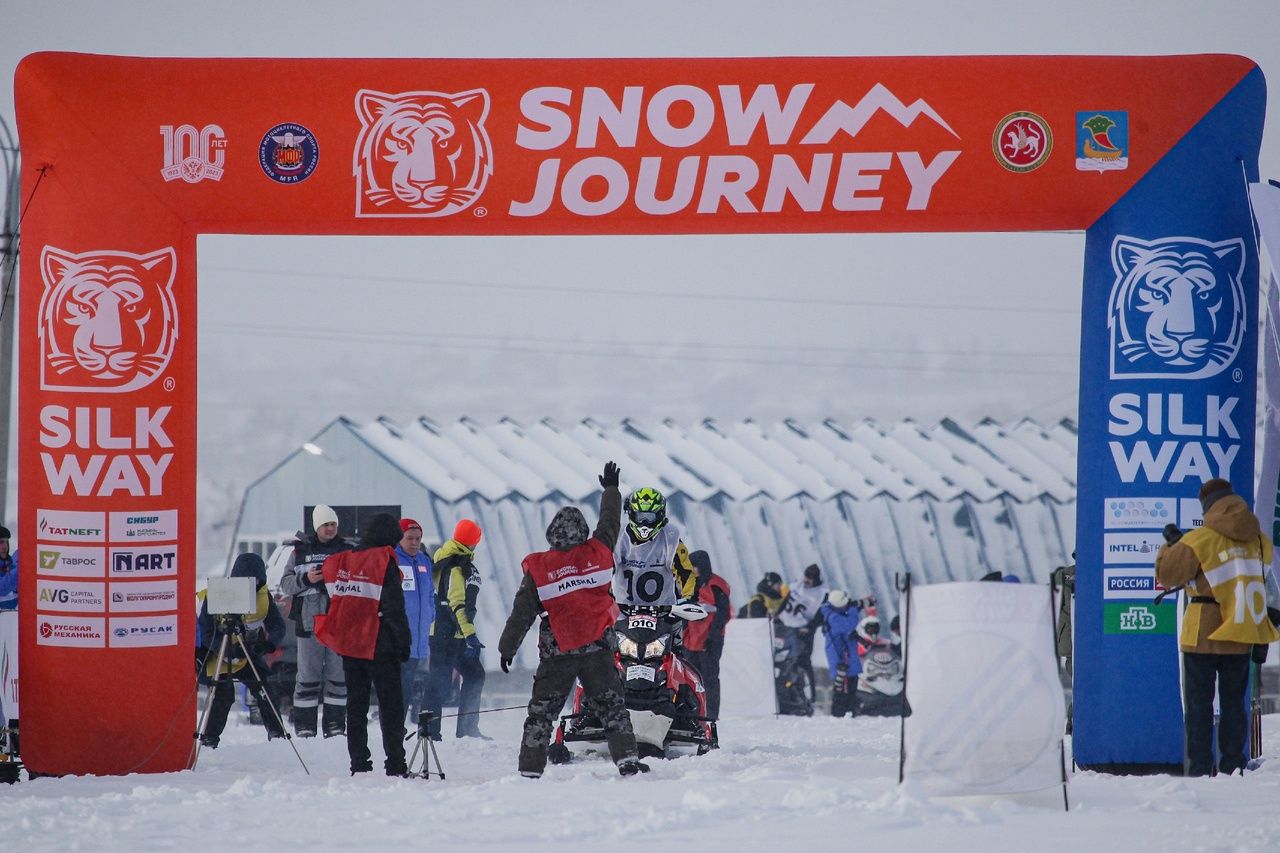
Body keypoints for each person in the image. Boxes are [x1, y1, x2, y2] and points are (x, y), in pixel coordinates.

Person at [498, 461, 648, 778]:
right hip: (597, 649)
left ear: (553, 534)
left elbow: (521, 612)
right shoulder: (598, 551)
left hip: (558, 653)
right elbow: (610, 521)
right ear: (582, 533)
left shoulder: (540, 567)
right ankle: (627, 760)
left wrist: (506, 648)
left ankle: (529, 770)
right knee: (612, 707)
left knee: (542, 712)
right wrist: (611, 489)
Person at [1155, 478, 1280, 777]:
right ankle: (1233, 766)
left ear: (1208, 506)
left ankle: (1199, 768)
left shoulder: (1199, 540)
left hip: (1202, 632)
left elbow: (1168, 574)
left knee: (1199, 706)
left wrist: (1170, 546)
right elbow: (1267, 585)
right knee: (1234, 704)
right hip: (1241, 629)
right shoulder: (1259, 540)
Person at [314, 512, 411, 776]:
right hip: (381, 645)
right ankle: (395, 763)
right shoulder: (383, 560)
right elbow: (393, 606)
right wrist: (404, 641)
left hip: (351, 644)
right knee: (391, 706)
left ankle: (359, 763)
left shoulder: (347, 559)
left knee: (356, 705)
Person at [196, 553, 287, 748]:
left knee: (264, 687)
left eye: (255, 581)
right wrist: (226, 649)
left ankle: (277, 733)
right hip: (218, 656)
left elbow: (278, 626)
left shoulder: (264, 598)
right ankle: (209, 739)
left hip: (248, 655)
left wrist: (268, 644)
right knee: (223, 694)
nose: (251, 585)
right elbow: (206, 632)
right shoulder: (215, 595)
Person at [278, 505, 352, 738]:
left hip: (339, 625)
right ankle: (305, 726)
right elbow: (285, 585)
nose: (330, 529)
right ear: (317, 527)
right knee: (307, 677)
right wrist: (307, 579)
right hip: (308, 624)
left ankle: (335, 726)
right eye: (325, 525)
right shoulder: (299, 552)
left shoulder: (348, 551)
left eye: (333, 524)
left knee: (338, 677)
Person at [422, 518, 488, 739]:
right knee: (440, 681)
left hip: (451, 632)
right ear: (473, 541)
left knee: (473, 675)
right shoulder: (456, 566)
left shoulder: (452, 559)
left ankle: (467, 729)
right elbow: (457, 602)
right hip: (447, 633)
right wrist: (471, 635)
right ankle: (431, 731)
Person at [613, 487, 698, 610]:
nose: (644, 523)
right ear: (631, 514)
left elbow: (685, 572)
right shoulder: (619, 538)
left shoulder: (671, 539)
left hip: (664, 612)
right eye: (640, 516)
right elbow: (606, 570)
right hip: (624, 612)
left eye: (650, 517)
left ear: (660, 515)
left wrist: (689, 598)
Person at [683, 549, 731, 719]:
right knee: (690, 679)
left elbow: (724, 612)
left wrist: (714, 636)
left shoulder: (717, 585)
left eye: (694, 567)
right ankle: (692, 712)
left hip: (710, 640)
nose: (692, 570)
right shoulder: (688, 585)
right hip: (691, 641)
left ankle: (710, 715)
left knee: (709, 679)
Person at [396, 518, 435, 725]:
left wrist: (431, 614)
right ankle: (393, 729)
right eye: (409, 538)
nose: (414, 543)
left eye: (418, 539)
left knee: (408, 687)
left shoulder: (423, 561)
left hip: (419, 639)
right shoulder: (393, 559)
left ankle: (398, 727)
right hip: (400, 639)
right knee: (398, 689)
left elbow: (430, 593)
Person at [775, 564, 828, 700]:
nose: (806, 580)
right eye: (806, 576)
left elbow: (820, 616)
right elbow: (783, 601)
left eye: (810, 578)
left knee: (802, 660)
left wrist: (810, 628)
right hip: (783, 627)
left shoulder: (822, 594)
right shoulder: (796, 585)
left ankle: (809, 695)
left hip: (802, 631)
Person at [819, 590, 862, 717]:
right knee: (843, 694)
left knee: (851, 692)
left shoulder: (834, 614)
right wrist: (854, 609)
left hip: (848, 662)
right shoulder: (834, 618)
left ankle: (848, 714)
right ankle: (840, 717)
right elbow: (850, 624)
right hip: (843, 664)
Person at [0, 526, 16, 611]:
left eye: (7, 542)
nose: (5, 546)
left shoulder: (12, 565)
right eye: (1, 542)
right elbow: (2, 588)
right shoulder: (17, 570)